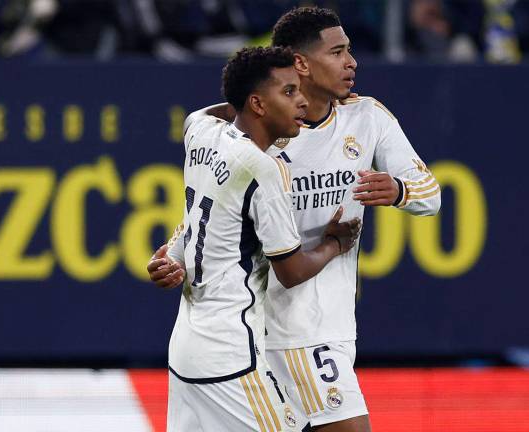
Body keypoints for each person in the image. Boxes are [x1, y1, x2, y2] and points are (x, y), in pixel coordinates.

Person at [151, 7, 441, 431]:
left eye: (349, 51)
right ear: (301, 63)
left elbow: (430, 195)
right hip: (280, 330)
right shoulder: (261, 137)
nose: (351, 62)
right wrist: (175, 253)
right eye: (337, 52)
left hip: (321, 322)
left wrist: (399, 190)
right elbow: (210, 209)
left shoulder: (368, 118)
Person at [156, 45, 361, 432]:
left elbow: (208, 113)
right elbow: (291, 271)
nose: (302, 101)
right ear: (257, 103)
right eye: (288, 92)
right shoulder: (263, 169)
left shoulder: (199, 131)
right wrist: (334, 244)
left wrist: (247, 98)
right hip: (232, 357)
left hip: (186, 351)